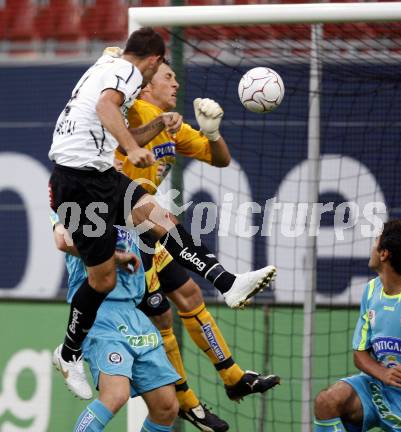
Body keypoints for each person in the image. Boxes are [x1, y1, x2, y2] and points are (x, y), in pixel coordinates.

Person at [48, 28, 277, 401]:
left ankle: (227, 282)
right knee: (102, 280)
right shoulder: (129, 73)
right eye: (165, 71)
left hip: (99, 176)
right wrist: (131, 150)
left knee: (162, 222)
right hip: (77, 182)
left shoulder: (109, 66)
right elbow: (108, 109)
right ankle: (69, 353)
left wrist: (157, 128)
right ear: (153, 61)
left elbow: (122, 121)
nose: (168, 78)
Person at [114, 59, 281, 431]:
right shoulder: (135, 110)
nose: (175, 83)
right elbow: (112, 106)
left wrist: (213, 131)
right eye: (167, 77)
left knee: (189, 294)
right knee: (159, 315)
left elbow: (221, 159)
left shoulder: (173, 128)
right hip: (118, 224)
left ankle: (233, 376)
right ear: (145, 85)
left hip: (143, 223)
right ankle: (189, 403)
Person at [51, 212, 180, 432]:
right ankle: (68, 353)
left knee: (166, 407)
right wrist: (117, 258)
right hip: (98, 311)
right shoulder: (74, 193)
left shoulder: (127, 193)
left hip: (133, 312)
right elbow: (64, 240)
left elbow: (167, 224)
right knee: (115, 395)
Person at [313, 219, 401, 431]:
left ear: (384, 254)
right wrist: (384, 374)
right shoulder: (371, 291)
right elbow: (360, 354)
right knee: (326, 402)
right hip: (375, 389)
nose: (372, 247)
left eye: (375, 241)